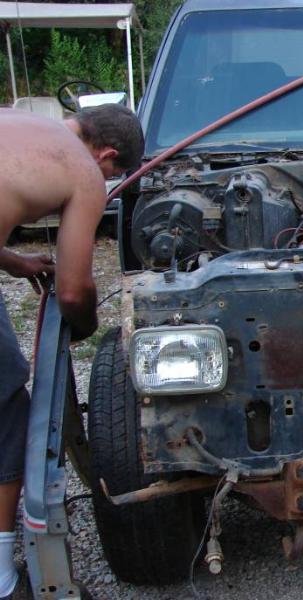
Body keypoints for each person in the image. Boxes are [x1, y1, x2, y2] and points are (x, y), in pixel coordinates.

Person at [0, 104, 144, 599]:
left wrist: (11, 260)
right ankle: (3, 580)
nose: (104, 183)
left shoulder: (15, 119)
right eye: (112, 175)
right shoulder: (83, 170)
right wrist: (88, 328)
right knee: (7, 411)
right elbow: (73, 290)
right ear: (107, 155)